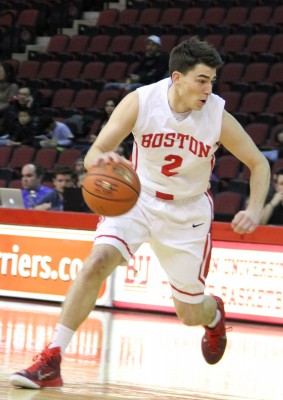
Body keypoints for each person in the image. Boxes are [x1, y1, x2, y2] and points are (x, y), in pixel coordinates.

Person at [10, 37, 270, 389]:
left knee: (189, 313)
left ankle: (214, 313)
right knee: (96, 262)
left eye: (212, 81)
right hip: (138, 198)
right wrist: (100, 161)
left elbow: (257, 163)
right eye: (202, 80)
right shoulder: (141, 101)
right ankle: (52, 358)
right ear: (177, 78)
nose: (209, 89)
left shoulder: (217, 116)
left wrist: (254, 208)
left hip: (187, 212)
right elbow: (95, 153)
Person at [104, 35, 169, 92]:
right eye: (148, 45)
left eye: (153, 45)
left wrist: (139, 78)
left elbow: (157, 75)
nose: (150, 47)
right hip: (136, 82)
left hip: (148, 85)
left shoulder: (163, 59)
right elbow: (136, 71)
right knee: (108, 86)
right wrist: (129, 80)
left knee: (129, 88)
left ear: (158, 46)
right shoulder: (145, 58)